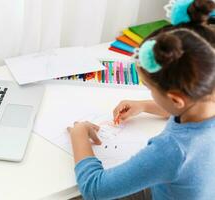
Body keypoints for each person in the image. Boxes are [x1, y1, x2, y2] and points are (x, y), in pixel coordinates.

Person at [67, 0, 215, 199]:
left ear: (176, 99)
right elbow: (188, 108)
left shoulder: (171, 150)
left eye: (149, 89)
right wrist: (144, 105)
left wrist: (79, 135)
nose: (148, 93)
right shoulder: (206, 95)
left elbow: (95, 189)